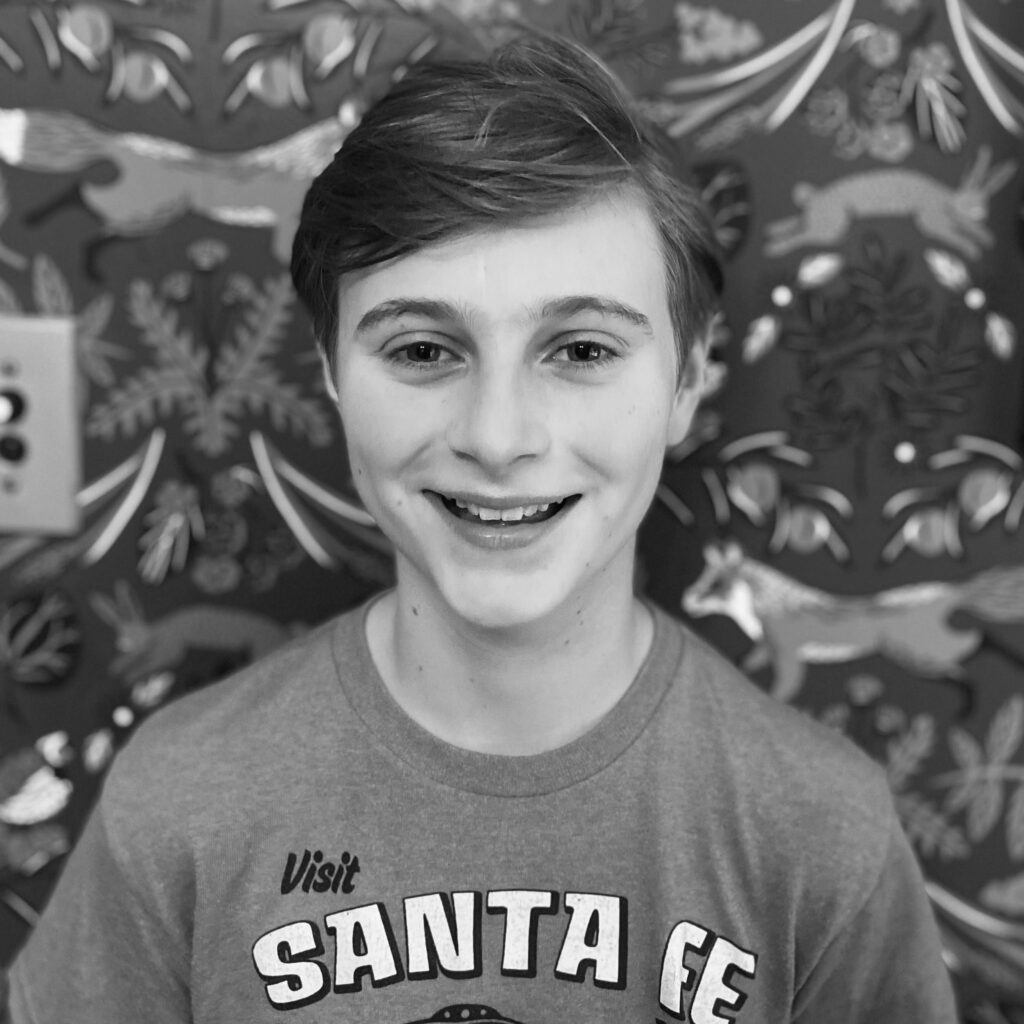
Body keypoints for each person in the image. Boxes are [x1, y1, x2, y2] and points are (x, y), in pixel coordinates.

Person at [7, 35, 958, 1024]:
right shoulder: (178, 808)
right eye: (422, 348)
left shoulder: (819, 837)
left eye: (581, 348)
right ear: (332, 374)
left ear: (685, 380)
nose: (498, 437)